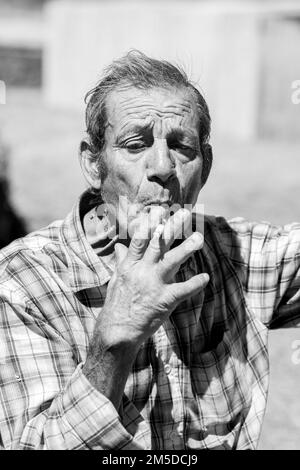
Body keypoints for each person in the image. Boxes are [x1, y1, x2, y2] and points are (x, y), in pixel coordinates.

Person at [0, 51, 299, 451]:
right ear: (93, 164)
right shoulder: (25, 284)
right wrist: (112, 343)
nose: (162, 166)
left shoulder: (231, 255)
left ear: (205, 167)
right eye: (135, 144)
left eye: (182, 147)